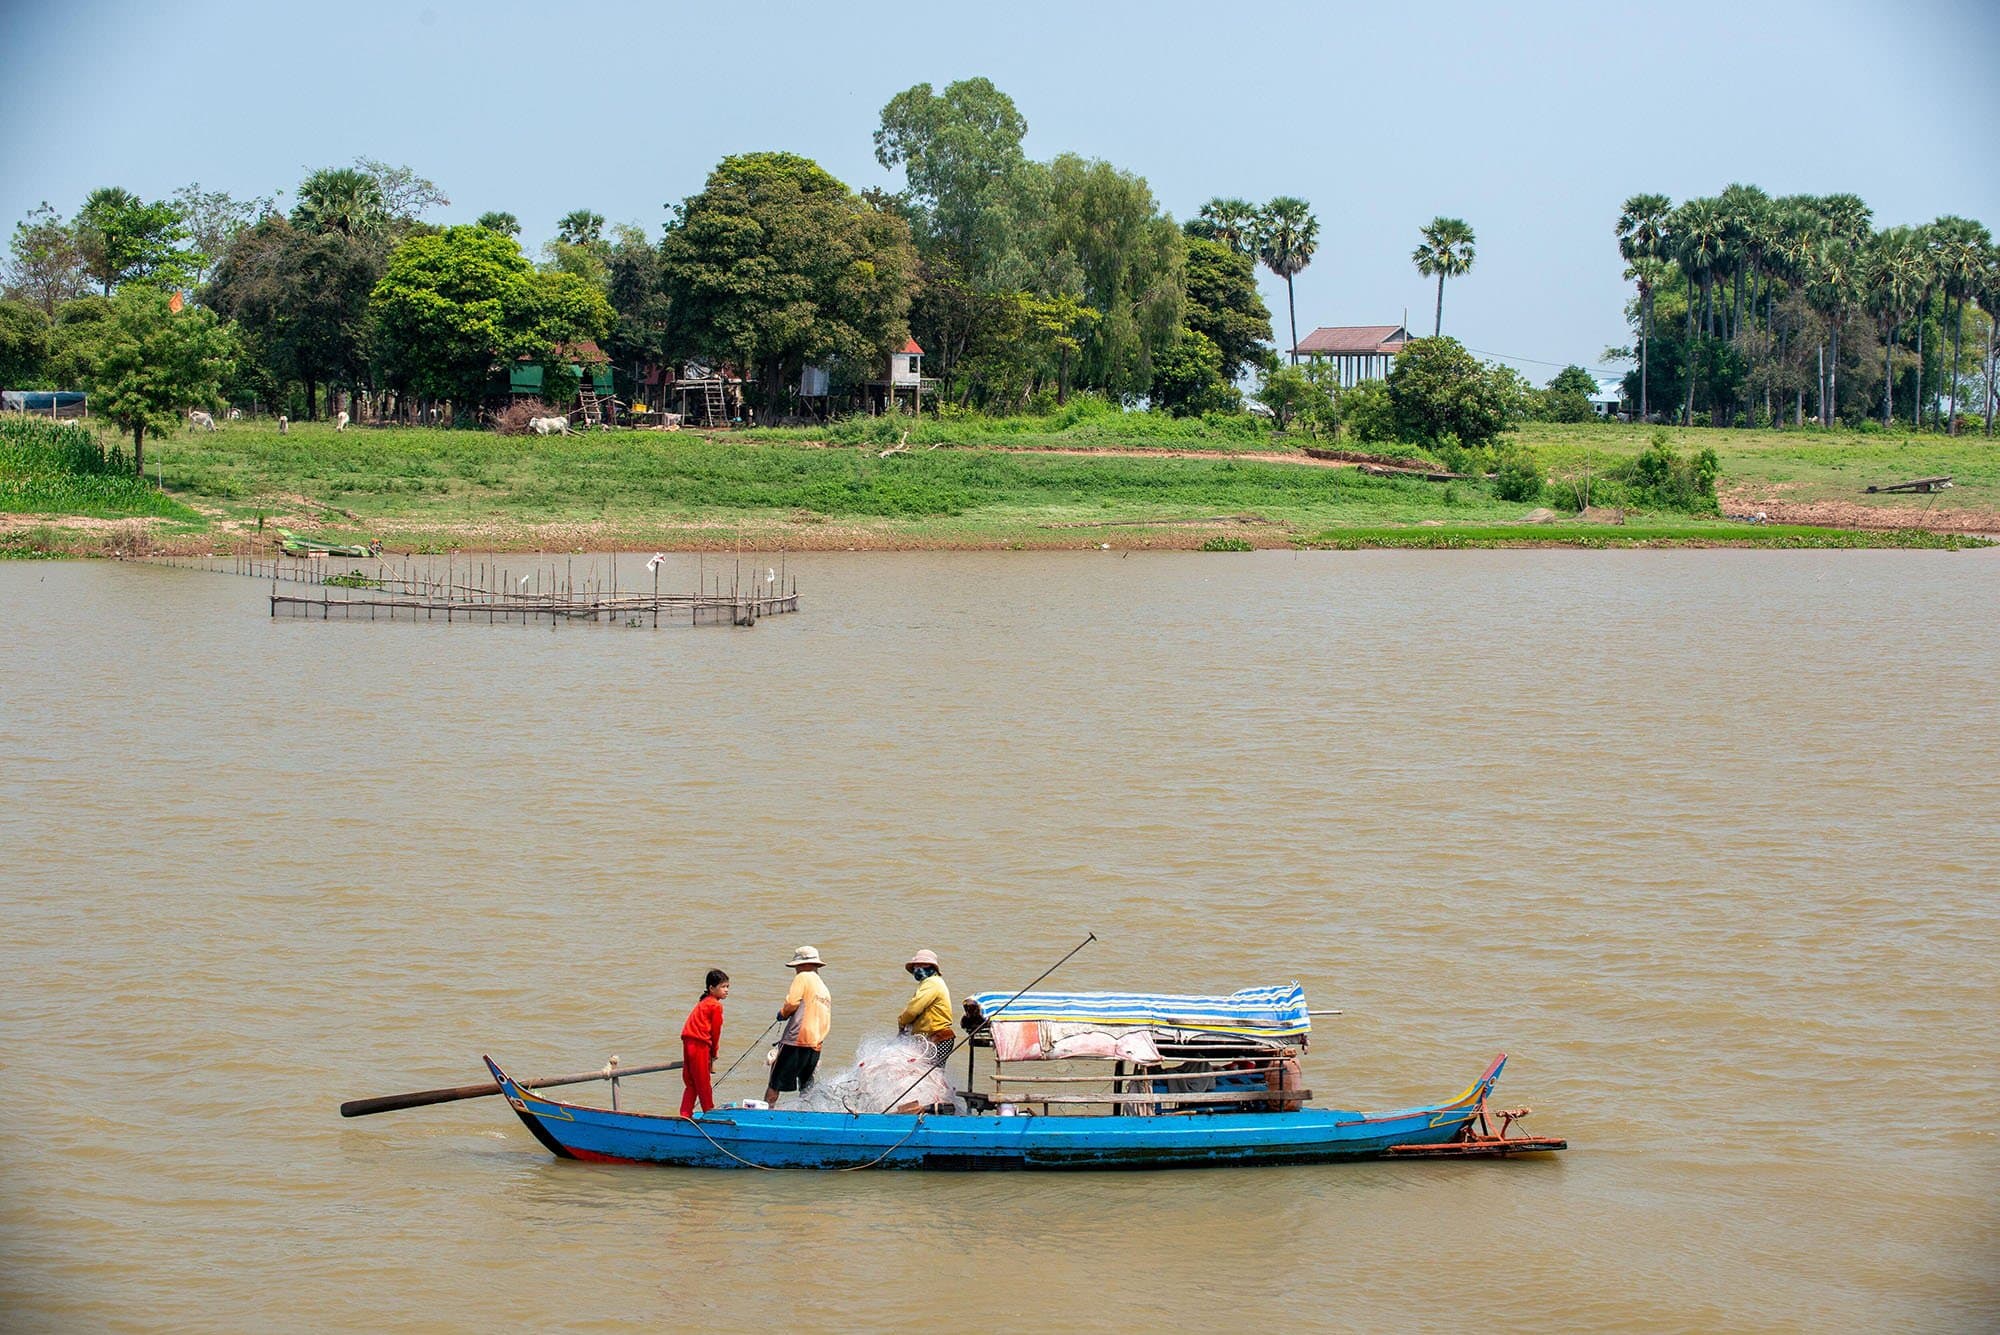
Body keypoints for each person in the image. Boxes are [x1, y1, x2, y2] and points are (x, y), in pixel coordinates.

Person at [763, 946, 831, 1106]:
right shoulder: (823, 987)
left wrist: (783, 1013)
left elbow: (791, 1003)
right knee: (807, 1087)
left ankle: (765, 1114)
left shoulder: (803, 977)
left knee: (775, 1082)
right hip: (816, 1043)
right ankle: (805, 1116)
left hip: (797, 1039)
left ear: (802, 965)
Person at [679, 969, 729, 1118]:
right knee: (703, 1083)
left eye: (727, 987)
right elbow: (715, 1032)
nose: (726, 990)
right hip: (699, 1045)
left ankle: (685, 1114)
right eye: (723, 987)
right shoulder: (715, 1005)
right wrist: (714, 1053)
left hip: (688, 1042)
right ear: (711, 988)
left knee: (691, 1083)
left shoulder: (704, 1002)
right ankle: (709, 1114)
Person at [897, 949, 955, 1058]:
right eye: (916, 966)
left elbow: (913, 1009)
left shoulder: (931, 983)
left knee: (929, 1071)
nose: (917, 969)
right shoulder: (931, 982)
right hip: (934, 1038)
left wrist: (901, 1021)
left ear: (931, 967)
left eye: (922, 965)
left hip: (938, 1037)